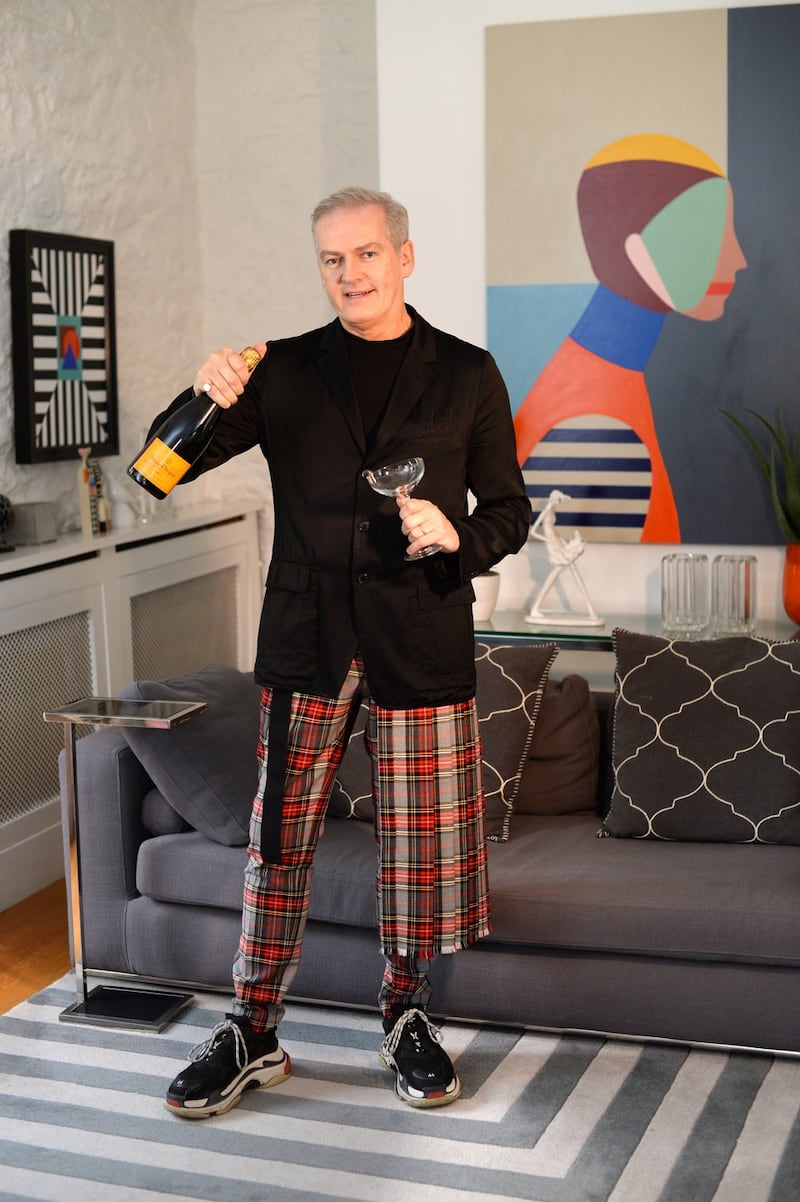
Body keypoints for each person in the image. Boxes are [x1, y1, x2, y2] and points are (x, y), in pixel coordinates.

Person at [158, 186, 530, 1118]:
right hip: (306, 640)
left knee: (416, 850)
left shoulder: (468, 373)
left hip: (420, 637)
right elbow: (162, 470)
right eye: (332, 259)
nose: (350, 274)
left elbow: (511, 512)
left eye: (367, 254)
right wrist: (201, 394)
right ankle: (252, 1026)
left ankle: (406, 1019)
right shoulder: (278, 370)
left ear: (405, 257)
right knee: (277, 843)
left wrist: (458, 535)